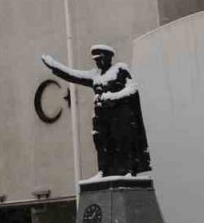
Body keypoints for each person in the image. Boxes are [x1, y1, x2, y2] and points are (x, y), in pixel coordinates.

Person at [41, 45, 151, 177]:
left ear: (109, 57)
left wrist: (113, 97)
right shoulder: (95, 74)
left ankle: (128, 170)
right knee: (102, 145)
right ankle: (103, 171)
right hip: (102, 118)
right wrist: (54, 66)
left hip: (120, 118)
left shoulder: (120, 69)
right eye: (96, 60)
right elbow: (74, 75)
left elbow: (133, 89)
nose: (98, 62)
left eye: (100, 59)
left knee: (122, 142)